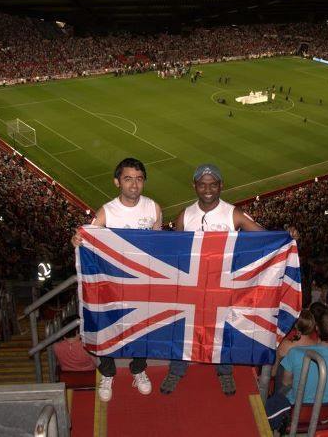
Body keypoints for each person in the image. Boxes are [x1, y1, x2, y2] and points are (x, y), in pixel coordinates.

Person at [159, 163, 287, 396]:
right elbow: (174, 250)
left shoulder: (233, 213)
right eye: (202, 184)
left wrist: (286, 237)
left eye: (213, 184)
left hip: (223, 286)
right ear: (194, 186)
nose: (208, 189)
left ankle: (224, 371)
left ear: (221, 186)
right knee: (185, 328)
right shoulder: (185, 215)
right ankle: (177, 368)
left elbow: (264, 237)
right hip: (193, 285)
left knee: (222, 329)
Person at [72, 157, 161, 402]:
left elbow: (158, 246)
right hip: (112, 283)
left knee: (143, 325)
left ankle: (139, 368)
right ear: (117, 182)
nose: (134, 184)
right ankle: (108, 372)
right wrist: (78, 240)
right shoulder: (107, 212)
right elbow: (87, 237)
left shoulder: (153, 209)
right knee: (107, 325)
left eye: (139, 179)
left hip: (142, 283)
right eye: (128, 179)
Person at [265, 309, 328, 431]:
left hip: (296, 412)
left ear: (317, 328)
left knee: (283, 374)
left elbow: (286, 382)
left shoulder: (295, 353)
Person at [272, 310, 317, 387]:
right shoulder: (317, 346)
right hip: (308, 387)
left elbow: (273, 372)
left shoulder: (286, 345)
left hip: (285, 389)